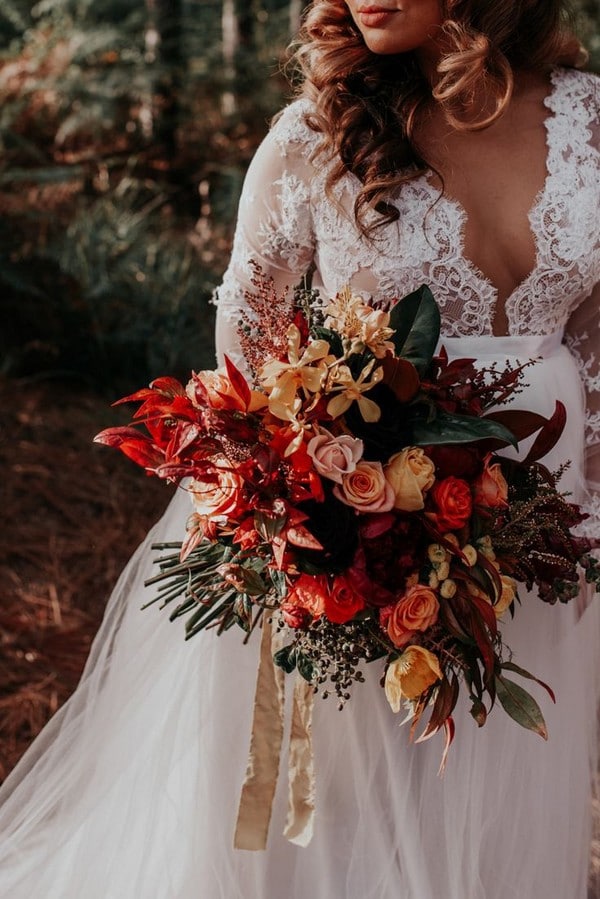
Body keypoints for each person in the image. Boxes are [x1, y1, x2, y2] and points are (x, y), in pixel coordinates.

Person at [0, 1, 598, 897]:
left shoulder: (589, 119)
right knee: (362, 802)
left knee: (504, 775)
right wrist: (333, 503)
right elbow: (246, 355)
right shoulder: (315, 138)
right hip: (362, 526)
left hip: (551, 520)